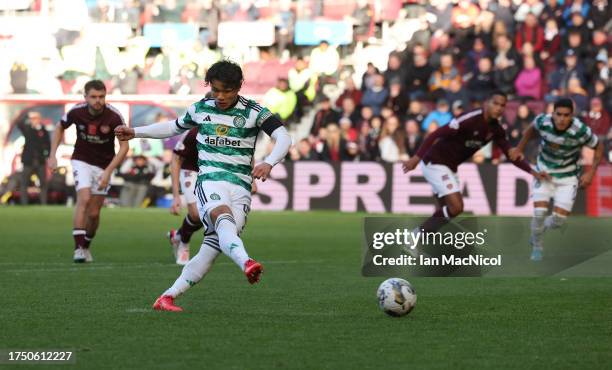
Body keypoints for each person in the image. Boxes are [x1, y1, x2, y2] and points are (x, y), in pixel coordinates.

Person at [114, 60, 292, 312]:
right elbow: (171, 127)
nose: (220, 96)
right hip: (209, 180)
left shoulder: (254, 111)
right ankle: (247, 262)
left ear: (239, 86)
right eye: (216, 90)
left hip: (241, 186)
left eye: (226, 91)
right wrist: (135, 131)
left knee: (212, 248)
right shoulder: (200, 108)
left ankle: (167, 297)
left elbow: (284, 136)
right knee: (222, 216)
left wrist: (270, 161)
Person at [402, 91, 547, 244]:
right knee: (456, 207)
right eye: (495, 103)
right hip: (435, 162)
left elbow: (512, 156)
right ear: (486, 103)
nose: (498, 108)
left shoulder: (496, 130)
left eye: (502, 105)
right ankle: (414, 237)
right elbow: (435, 134)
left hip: (450, 167)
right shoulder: (469, 119)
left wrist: (533, 172)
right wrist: (416, 158)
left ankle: (422, 240)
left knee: (448, 212)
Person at [511, 98, 604, 261]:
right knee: (539, 213)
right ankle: (537, 246)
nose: (562, 119)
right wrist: (520, 148)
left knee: (558, 221)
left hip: (568, 177)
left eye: (566, 115)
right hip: (544, 172)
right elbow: (531, 130)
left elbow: (599, 146)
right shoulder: (543, 121)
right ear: (552, 113)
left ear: (572, 116)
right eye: (558, 114)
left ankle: (537, 232)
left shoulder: (581, 130)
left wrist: (591, 173)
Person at [48, 79, 129, 263]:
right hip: (81, 160)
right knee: (83, 198)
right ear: (85, 97)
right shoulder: (76, 111)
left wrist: (108, 172)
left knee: (94, 213)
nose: (97, 100)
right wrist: (52, 154)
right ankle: (78, 249)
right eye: (93, 97)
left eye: (101, 96)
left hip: (104, 165)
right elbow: (60, 127)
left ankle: (85, 245)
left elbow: (124, 147)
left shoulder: (114, 117)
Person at [18, 111, 50, 205]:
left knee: (43, 183)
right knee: (24, 182)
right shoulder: (27, 129)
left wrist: (47, 155)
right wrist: (27, 115)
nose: (34, 120)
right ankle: (24, 203)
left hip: (40, 161)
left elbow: (48, 144)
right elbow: (19, 123)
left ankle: (43, 203)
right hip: (28, 161)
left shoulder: (43, 130)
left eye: (36, 118)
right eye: (32, 118)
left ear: (39, 119)